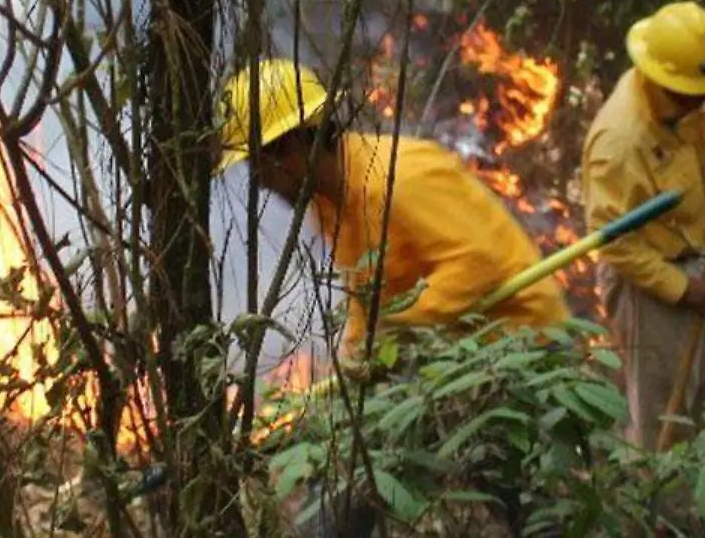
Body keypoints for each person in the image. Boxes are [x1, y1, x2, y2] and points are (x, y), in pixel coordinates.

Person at [215, 58, 571, 537]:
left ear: (296, 142)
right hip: (446, 355)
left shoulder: (398, 177)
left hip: (516, 346)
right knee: (352, 468)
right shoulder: (330, 200)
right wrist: (360, 356)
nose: (257, 178)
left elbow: (476, 266)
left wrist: (397, 333)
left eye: (259, 161)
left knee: (528, 502)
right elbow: (368, 290)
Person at [581, 0, 705, 455]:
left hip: (696, 262)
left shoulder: (680, 96)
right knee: (663, 411)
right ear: (662, 79)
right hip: (650, 284)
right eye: (696, 93)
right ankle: (657, 513)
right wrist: (680, 288)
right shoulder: (620, 143)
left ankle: (694, 498)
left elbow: (697, 130)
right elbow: (613, 243)